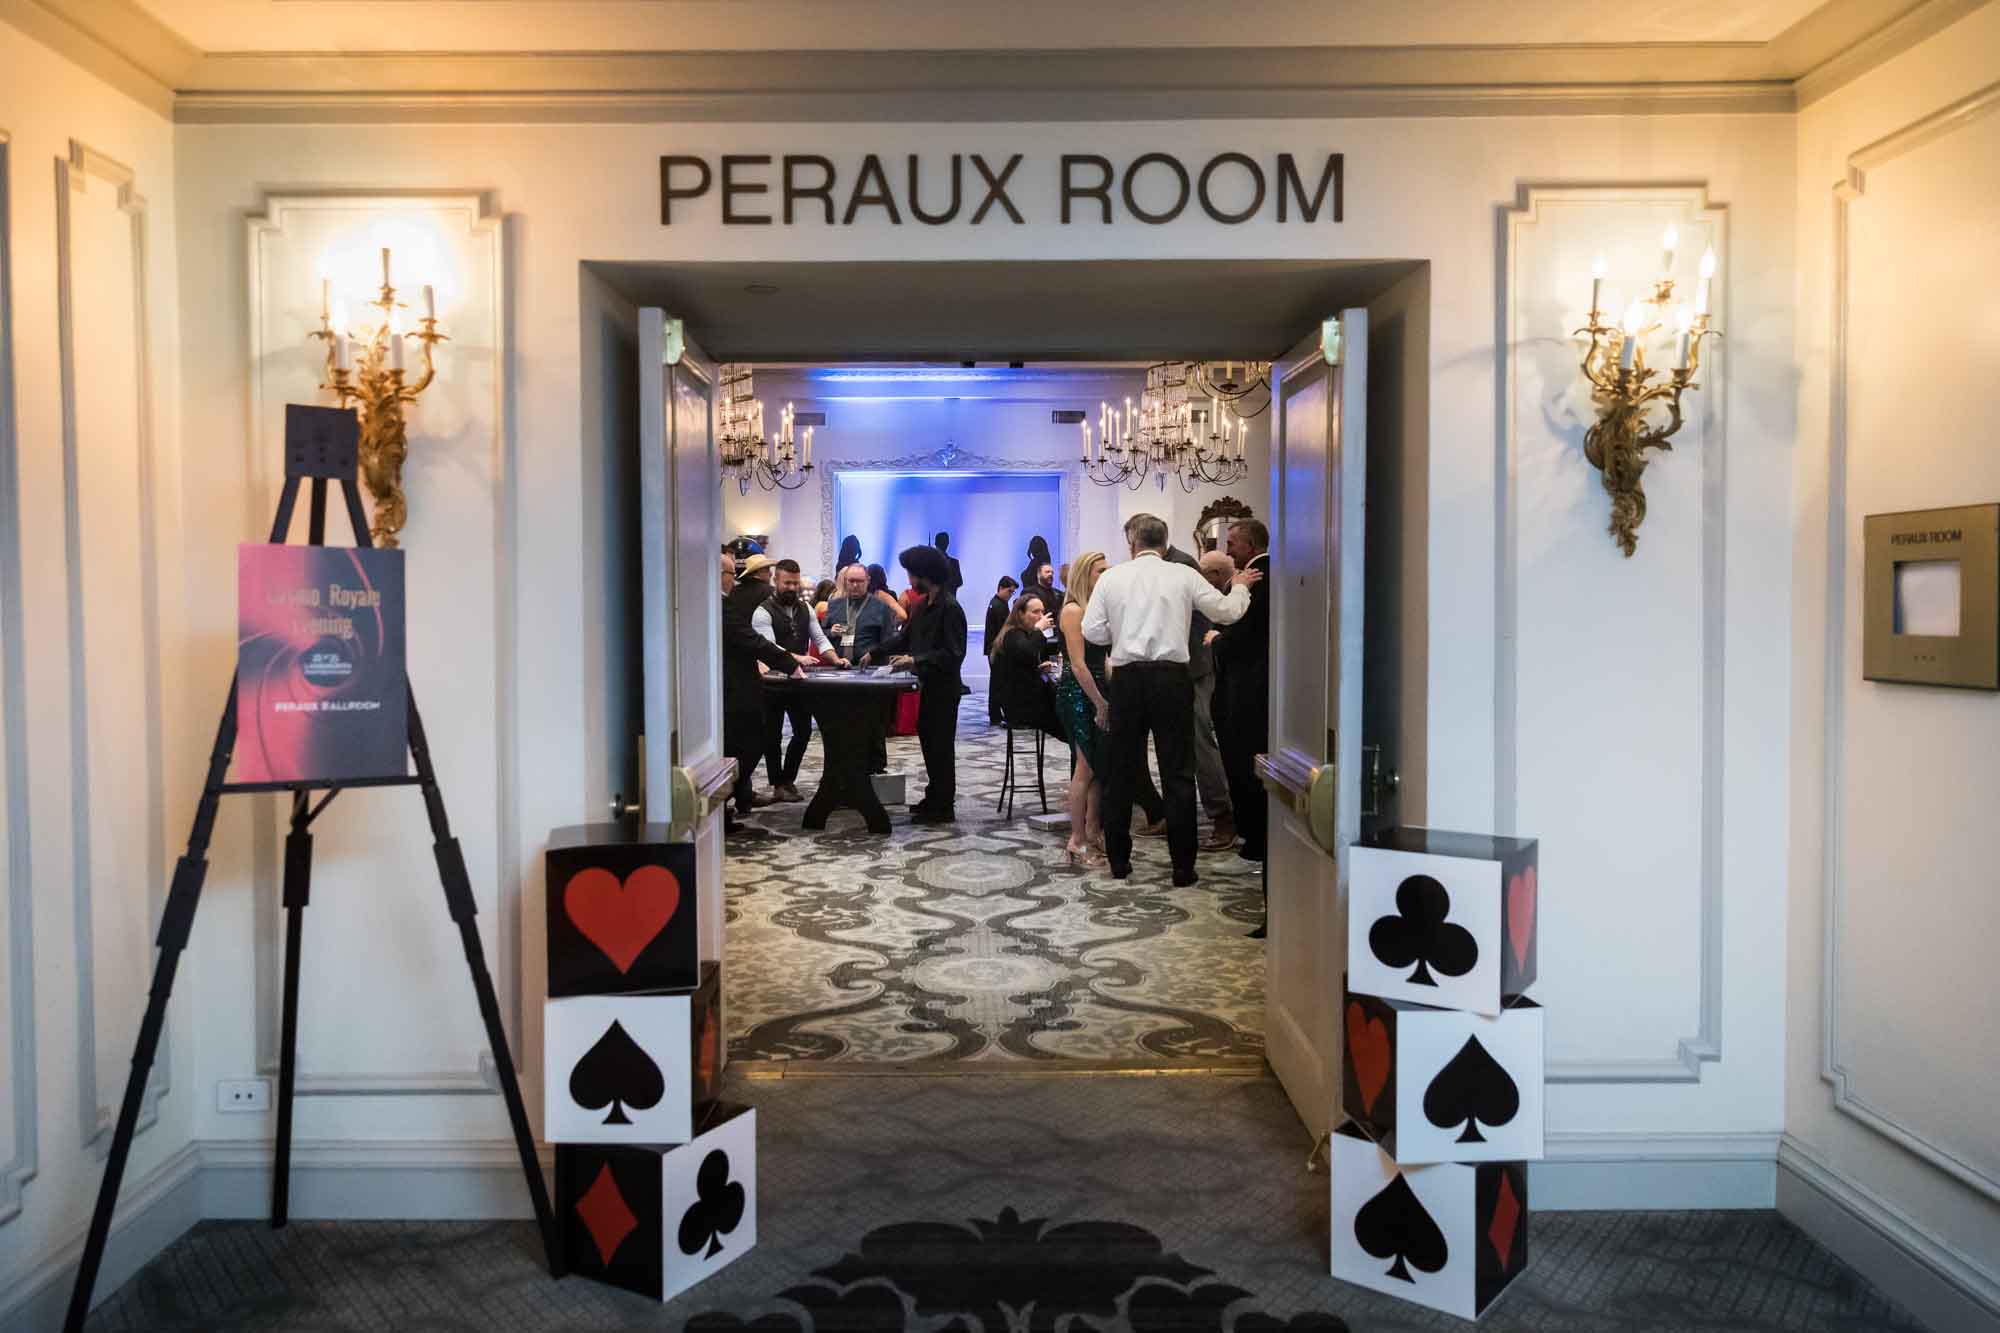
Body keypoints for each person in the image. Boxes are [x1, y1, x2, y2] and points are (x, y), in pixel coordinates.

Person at [1083, 513, 1261, 886]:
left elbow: (1094, 633)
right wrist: (1241, 584)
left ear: (1132, 542)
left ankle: (1119, 861)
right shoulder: (1183, 574)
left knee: (1121, 769)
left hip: (1128, 679)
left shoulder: (1113, 577)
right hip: (1172, 678)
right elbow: (1226, 611)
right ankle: (1182, 867)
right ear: (1164, 543)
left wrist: (1124, 628)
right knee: (1178, 772)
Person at [865, 544, 967, 823]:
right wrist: (875, 651)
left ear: (925, 574)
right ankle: (934, 796)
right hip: (928, 687)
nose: (909, 581)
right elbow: (905, 638)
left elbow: (953, 654)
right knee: (929, 744)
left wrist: (914, 661)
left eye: (912, 574)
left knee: (941, 748)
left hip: (944, 689)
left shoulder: (950, 608)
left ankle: (943, 806)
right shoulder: (924, 606)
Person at [754, 559, 846, 803]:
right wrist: (798, 658)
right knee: (771, 736)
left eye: (796, 583)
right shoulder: (762, 611)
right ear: (776, 581)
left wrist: (835, 659)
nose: (792, 588)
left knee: (803, 732)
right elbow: (769, 648)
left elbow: (820, 639)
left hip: (798, 683)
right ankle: (777, 785)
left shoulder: (806, 608)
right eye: (787, 583)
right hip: (771, 683)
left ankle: (788, 780)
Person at [1211, 518, 1272, 886]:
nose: (1228, 548)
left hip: (1247, 691)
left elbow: (1242, 633)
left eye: (1232, 542)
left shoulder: (1258, 578)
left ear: (1249, 545)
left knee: (1244, 767)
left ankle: (1253, 848)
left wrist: (1217, 640)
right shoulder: (1259, 573)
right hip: (1251, 688)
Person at [722, 554, 803, 818]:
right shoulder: (726, 604)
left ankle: (739, 798)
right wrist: (789, 662)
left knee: (740, 742)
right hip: (739, 686)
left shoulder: (732, 598)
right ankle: (730, 797)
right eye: (732, 574)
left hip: (737, 683)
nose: (734, 580)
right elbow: (753, 640)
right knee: (751, 741)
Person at [1055, 552, 1112, 865]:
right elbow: (1077, 664)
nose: (1106, 575)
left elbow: (1103, 659)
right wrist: (1099, 702)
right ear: (1084, 575)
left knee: (1098, 767)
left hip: (1097, 687)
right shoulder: (1073, 610)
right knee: (1085, 766)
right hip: (1078, 692)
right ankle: (1076, 838)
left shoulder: (1095, 608)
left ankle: (1093, 830)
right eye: (1100, 571)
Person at [988, 594, 1065, 744]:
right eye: (1035, 612)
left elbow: (1022, 666)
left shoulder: (1020, 634)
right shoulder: (1013, 634)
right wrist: (1038, 630)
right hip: (1021, 706)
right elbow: (1028, 652)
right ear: (1020, 614)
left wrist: (1039, 671)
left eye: (1042, 612)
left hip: (1024, 699)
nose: (1041, 616)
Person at [983, 575, 1020, 723]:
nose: (1011, 595)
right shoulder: (999, 606)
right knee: (999, 683)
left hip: (994, 649)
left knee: (996, 683)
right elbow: (1004, 630)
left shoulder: (997, 604)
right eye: (1010, 591)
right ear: (1001, 588)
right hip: (997, 650)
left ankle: (996, 715)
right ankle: (998, 715)